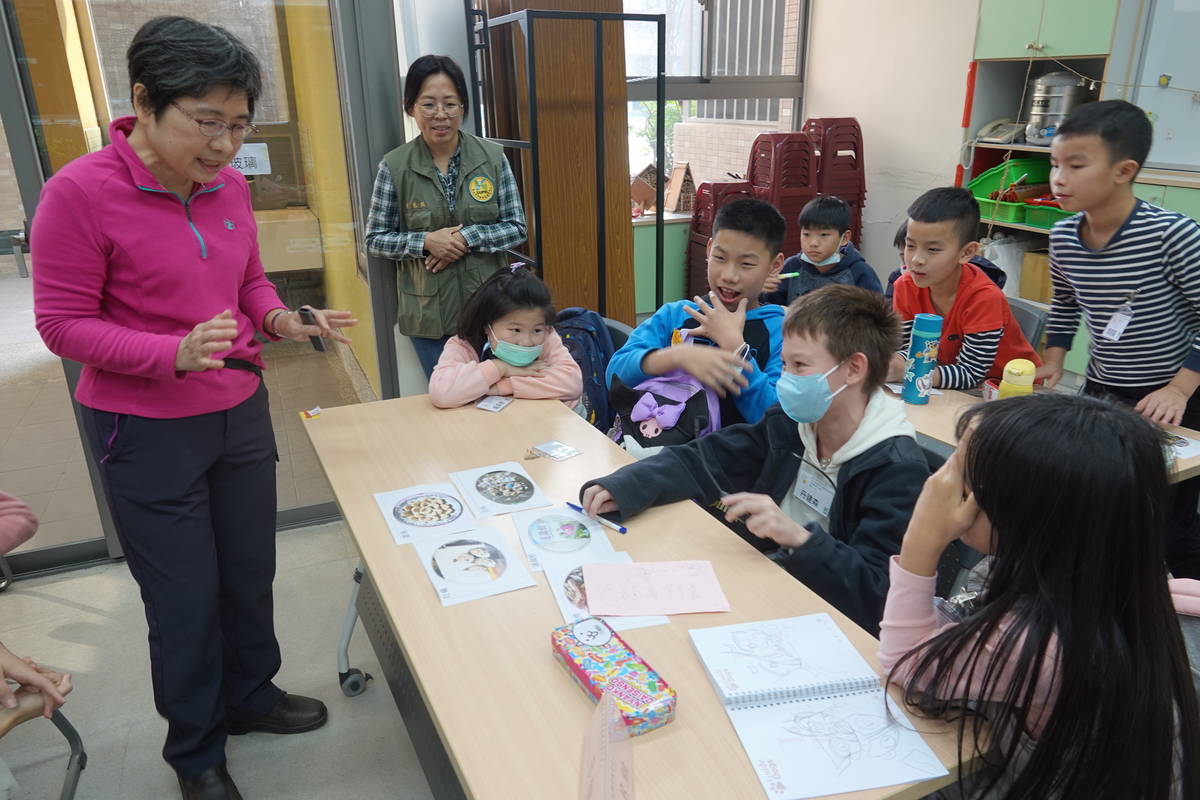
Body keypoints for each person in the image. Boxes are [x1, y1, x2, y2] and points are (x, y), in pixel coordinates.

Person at [31, 17, 356, 800]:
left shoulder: (230, 188)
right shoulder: (78, 194)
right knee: (182, 600)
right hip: (144, 430)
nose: (223, 145)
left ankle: (250, 696)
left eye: (238, 125)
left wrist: (279, 318)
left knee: (249, 573)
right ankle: (197, 753)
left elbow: (247, 283)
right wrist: (168, 352)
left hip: (238, 409)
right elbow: (60, 323)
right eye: (206, 122)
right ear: (144, 101)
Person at [879, 392, 1200, 799]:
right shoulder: (1114, 576)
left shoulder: (1043, 640)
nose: (946, 487)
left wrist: (920, 541)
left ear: (1026, 513)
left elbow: (906, 666)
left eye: (963, 478)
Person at [582, 285, 929, 634]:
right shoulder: (793, 422)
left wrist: (799, 539)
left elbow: (878, 594)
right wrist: (625, 485)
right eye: (785, 364)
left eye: (800, 366)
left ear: (854, 369)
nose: (787, 378)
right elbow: (707, 457)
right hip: (766, 584)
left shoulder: (896, 468)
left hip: (827, 623)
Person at [1036, 99, 1200, 579]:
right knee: (1099, 498)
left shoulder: (1172, 235)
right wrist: (1054, 358)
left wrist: (1179, 388)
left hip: (1180, 393)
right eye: (1054, 164)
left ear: (1124, 170)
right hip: (1105, 388)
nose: (1058, 178)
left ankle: (1180, 616)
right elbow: (1065, 304)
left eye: (1076, 165)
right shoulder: (1065, 236)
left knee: (1166, 519)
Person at [365, 54, 527, 378]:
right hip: (428, 318)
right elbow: (375, 239)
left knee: (500, 399)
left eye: (450, 104)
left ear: (463, 106)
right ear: (410, 106)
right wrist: (426, 241)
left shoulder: (493, 158)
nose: (440, 115)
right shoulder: (394, 167)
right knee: (449, 404)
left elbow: (517, 227)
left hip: (489, 311)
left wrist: (467, 237)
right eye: (428, 104)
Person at [606, 197, 787, 427]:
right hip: (656, 451)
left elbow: (774, 420)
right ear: (709, 249)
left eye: (747, 264)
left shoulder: (781, 334)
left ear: (775, 266)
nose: (729, 275)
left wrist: (736, 349)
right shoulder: (676, 315)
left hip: (729, 460)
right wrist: (677, 357)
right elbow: (613, 375)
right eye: (720, 258)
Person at [888, 187, 1040, 390]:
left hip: (1006, 389)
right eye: (910, 246)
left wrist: (909, 371)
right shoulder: (905, 287)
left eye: (932, 249)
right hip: (948, 382)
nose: (916, 260)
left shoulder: (984, 298)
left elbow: (971, 372)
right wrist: (891, 363)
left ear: (967, 252)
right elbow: (909, 349)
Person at [428, 265, 582, 409]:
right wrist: (500, 368)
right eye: (515, 329)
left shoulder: (547, 336)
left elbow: (572, 384)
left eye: (536, 331)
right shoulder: (464, 344)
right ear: (487, 325)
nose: (526, 342)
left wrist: (501, 387)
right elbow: (441, 392)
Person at [764, 195, 880, 305]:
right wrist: (760, 290)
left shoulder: (860, 273)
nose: (813, 243)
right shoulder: (791, 267)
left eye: (823, 235)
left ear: (844, 238)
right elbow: (768, 309)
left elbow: (878, 317)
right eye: (806, 234)